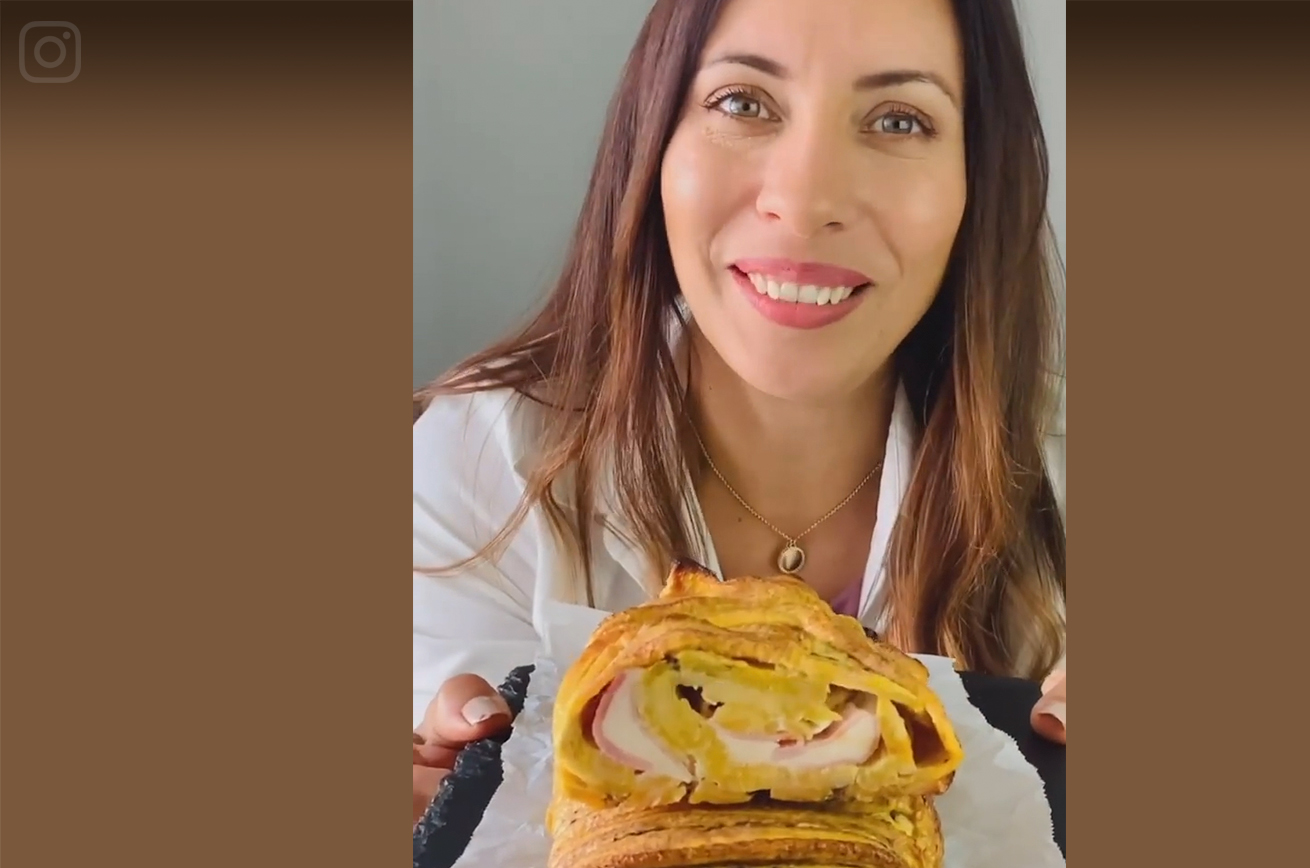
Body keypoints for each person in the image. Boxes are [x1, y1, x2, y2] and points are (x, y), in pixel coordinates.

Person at [412, 0, 1066, 823]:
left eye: (899, 119)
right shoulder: (478, 467)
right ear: (653, 144)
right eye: (742, 102)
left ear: (981, 179)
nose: (802, 200)